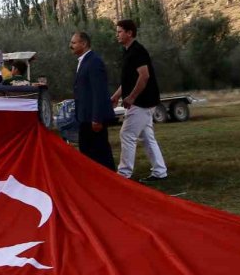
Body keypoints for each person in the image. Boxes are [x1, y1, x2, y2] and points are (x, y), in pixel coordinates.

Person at [110, 19, 167, 182]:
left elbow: (144, 76)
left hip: (142, 101)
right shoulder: (128, 52)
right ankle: (160, 171)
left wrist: (132, 97)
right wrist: (116, 95)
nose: (117, 35)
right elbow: (129, 80)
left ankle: (124, 174)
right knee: (147, 136)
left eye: (120, 31)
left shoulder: (137, 51)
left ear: (129, 33)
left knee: (127, 134)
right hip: (142, 101)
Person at [70, 31, 116, 170]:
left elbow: (99, 91)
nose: (71, 46)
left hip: (93, 119)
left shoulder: (94, 62)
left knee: (100, 153)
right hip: (84, 117)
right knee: (87, 152)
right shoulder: (84, 61)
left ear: (84, 43)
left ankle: (108, 178)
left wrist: (97, 118)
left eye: (74, 43)